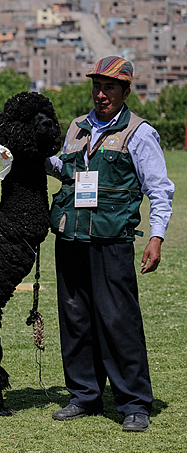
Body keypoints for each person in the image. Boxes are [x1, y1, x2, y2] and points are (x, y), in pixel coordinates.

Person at [47, 56, 174, 432]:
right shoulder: (77, 127)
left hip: (112, 239)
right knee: (75, 319)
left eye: (111, 87)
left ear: (125, 90)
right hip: (71, 236)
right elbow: (65, 168)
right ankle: (84, 395)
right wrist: (32, 153)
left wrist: (156, 236)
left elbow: (159, 190)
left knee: (119, 320)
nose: (101, 94)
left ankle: (134, 403)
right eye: (97, 86)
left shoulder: (139, 132)